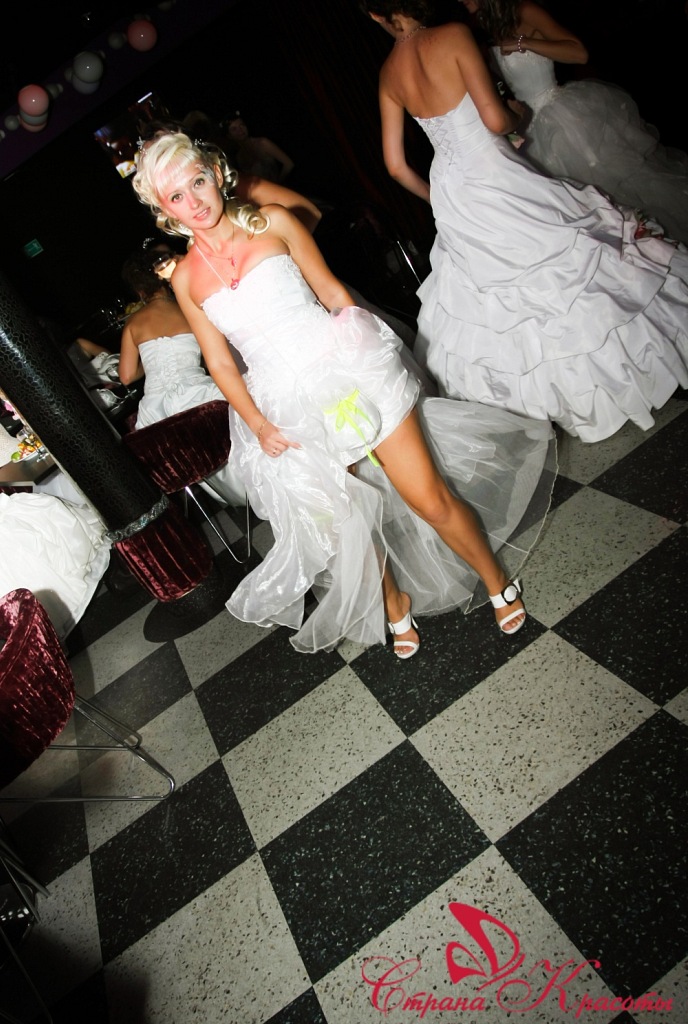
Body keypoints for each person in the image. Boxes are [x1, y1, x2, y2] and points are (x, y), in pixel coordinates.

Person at [132, 129, 557, 657]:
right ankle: (394, 603)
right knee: (349, 525)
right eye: (177, 195)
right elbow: (219, 362)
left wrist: (363, 351)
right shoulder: (185, 280)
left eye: (197, 182)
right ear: (164, 209)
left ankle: (495, 579)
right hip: (284, 406)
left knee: (427, 496)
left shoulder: (274, 222)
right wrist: (258, 424)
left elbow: (331, 291)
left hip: (345, 367)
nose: (194, 201)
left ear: (216, 173)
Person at [363, 0, 688, 442]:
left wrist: (438, 197)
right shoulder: (454, 36)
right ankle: (617, 377)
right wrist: (518, 113)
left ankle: (536, 406)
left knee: (492, 296)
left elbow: (396, 167)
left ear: (376, 15)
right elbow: (495, 119)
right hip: (492, 168)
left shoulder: (388, 72)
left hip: (452, 187)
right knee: (563, 267)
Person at [461, 0, 688, 244]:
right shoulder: (484, 25)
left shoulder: (524, 11)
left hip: (562, 120)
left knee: (613, 191)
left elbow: (579, 52)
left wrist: (523, 43)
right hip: (528, 128)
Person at [118, 245, 246, 507]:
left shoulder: (133, 323)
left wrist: (149, 362)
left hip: (158, 415)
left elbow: (127, 376)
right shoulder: (190, 310)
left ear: (140, 291)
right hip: (200, 401)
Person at [222, 110, 295, 183]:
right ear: (229, 136)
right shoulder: (239, 156)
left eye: (242, 125)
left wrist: (278, 183)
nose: (240, 130)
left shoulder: (262, 143)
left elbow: (289, 164)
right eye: (234, 129)